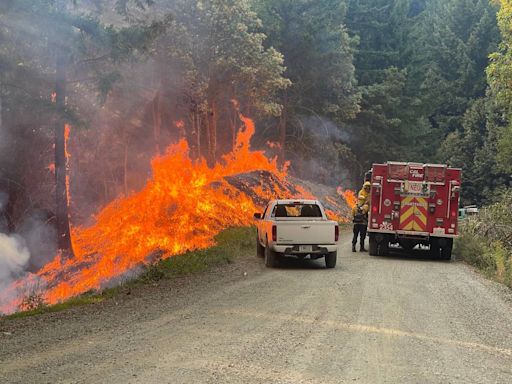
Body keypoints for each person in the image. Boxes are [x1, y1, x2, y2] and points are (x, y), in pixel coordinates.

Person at [352, 181, 371, 252]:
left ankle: (353, 247)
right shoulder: (366, 207)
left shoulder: (354, 207)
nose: (368, 189)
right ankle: (361, 248)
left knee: (355, 235)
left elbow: (353, 214)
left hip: (356, 224)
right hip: (363, 223)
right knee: (362, 236)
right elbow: (366, 212)